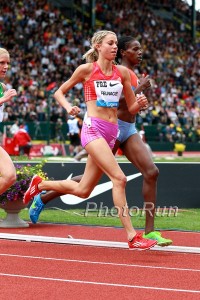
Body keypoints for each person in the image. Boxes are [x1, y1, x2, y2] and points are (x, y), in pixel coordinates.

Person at [29, 36, 172, 247]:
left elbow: (130, 106)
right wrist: (70, 108)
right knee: (117, 178)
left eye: (116, 44)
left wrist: (141, 102)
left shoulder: (124, 73)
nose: (140, 52)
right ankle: (132, 236)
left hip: (122, 129)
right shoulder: (89, 69)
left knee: (89, 187)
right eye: (135, 49)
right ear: (122, 52)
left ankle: (40, 187)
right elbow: (64, 92)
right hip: (95, 128)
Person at [0, 48, 17, 195]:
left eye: (7, 63)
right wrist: (3, 100)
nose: (6, 66)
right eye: (1, 63)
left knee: (10, 176)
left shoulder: (2, 87)